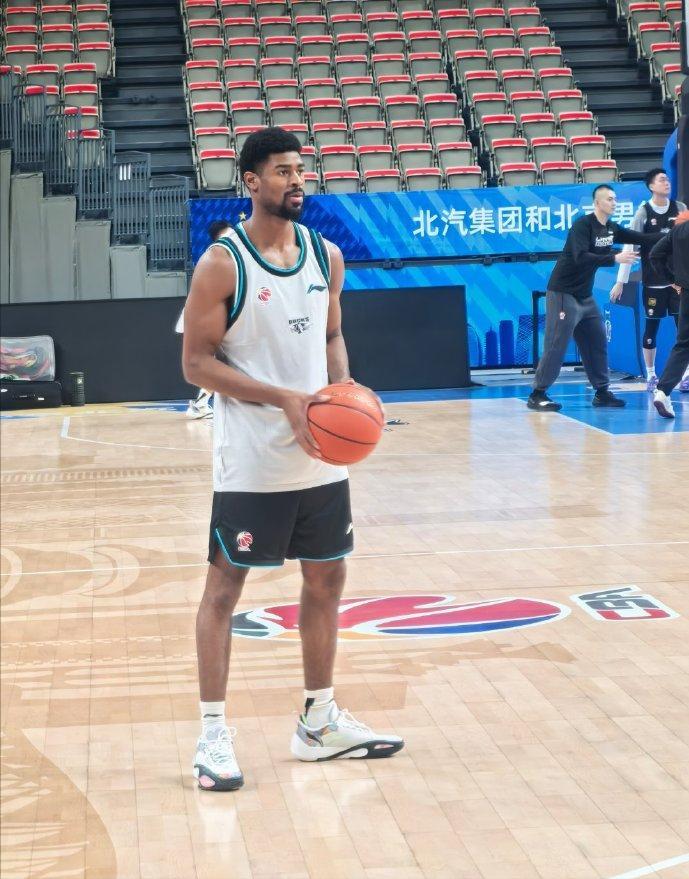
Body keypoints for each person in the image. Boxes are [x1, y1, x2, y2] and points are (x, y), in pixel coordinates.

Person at [182, 127, 404, 791]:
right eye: (282, 171)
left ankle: (318, 721)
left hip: (321, 458)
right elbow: (195, 364)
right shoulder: (222, 264)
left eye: (300, 169)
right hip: (253, 462)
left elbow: (332, 335)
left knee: (328, 579)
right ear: (251, 182)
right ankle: (213, 734)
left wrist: (342, 392)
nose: (296, 180)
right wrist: (284, 398)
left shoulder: (325, 256)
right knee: (225, 589)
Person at [527, 184, 662, 412]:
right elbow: (580, 257)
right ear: (597, 203)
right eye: (609, 199)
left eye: (615, 199)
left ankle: (602, 392)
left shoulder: (610, 228)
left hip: (585, 296)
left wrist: (672, 234)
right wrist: (614, 257)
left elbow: (640, 237)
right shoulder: (583, 226)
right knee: (556, 344)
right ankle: (537, 394)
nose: (614, 202)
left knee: (596, 341)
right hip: (563, 293)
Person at [610, 168, 688, 391]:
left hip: (679, 283)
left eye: (668, 179)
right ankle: (651, 374)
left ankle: (686, 376)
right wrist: (621, 281)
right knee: (651, 328)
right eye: (662, 180)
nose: (667, 183)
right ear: (651, 186)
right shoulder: (643, 213)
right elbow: (630, 247)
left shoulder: (681, 209)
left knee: (684, 331)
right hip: (654, 281)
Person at [176, 220, 231, 419]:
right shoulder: (216, 258)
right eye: (228, 235)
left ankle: (203, 403)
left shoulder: (227, 257)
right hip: (202, 319)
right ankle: (200, 404)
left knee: (222, 364)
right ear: (219, 238)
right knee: (219, 364)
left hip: (208, 318)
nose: (233, 238)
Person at [649, 210, 689, 418]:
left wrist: (674, 280)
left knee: (683, 345)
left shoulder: (679, 230)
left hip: (686, 293)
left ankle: (663, 392)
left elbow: (655, 255)